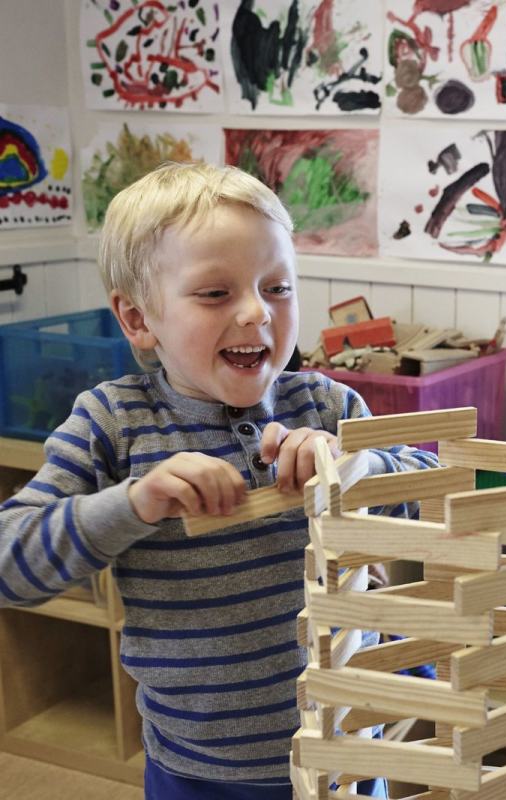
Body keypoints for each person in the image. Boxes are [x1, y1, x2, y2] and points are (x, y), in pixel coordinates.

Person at [0, 162, 436, 797]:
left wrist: (358, 468)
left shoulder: (326, 406)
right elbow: (10, 562)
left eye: (278, 287)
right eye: (215, 294)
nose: (256, 312)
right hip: (195, 768)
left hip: (342, 749)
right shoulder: (112, 422)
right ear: (138, 319)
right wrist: (132, 504)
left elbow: (427, 489)